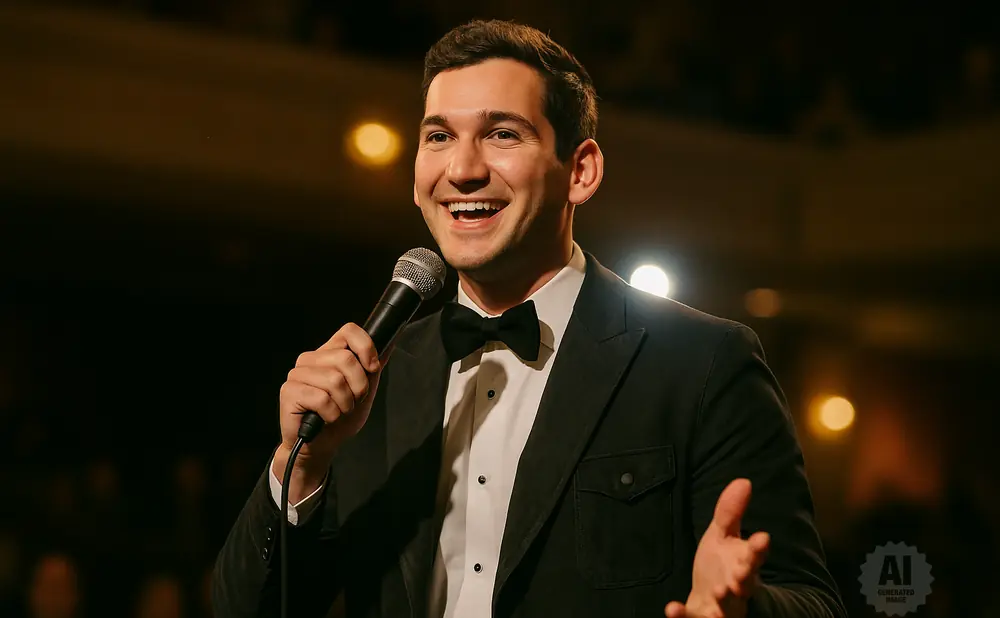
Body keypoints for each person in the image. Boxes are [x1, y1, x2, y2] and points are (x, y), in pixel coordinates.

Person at [212, 19, 846, 618]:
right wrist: (301, 468)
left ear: (581, 170)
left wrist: (743, 608)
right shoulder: (374, 381)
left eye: (502, 134)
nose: (461, 169)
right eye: (438, 136)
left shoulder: (704, 365)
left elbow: (812, 602)